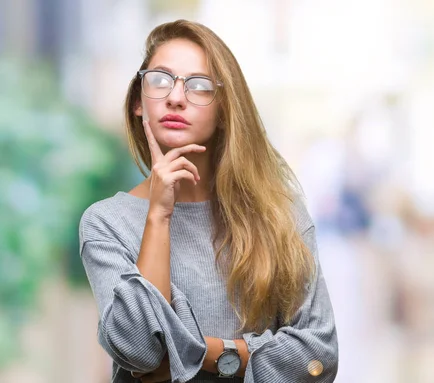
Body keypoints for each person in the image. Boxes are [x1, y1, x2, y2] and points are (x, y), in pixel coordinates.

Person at [78, 19, 338, 383]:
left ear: (223, 113)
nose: (175, 96)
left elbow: (318, 359)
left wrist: (203, 353)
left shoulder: (280, 214)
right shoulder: (107, 222)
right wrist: (158, 216)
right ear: (138, 101)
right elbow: (141, 350)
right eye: (160, 79)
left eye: (199, 86)